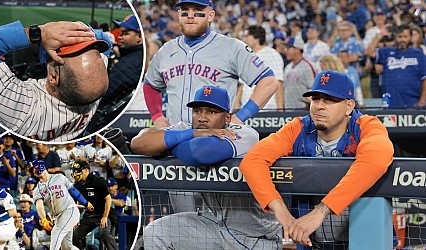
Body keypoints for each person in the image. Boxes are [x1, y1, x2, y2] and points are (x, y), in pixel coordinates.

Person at [239, 70, 394, 247]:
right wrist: (280, 210)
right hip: (312, 241)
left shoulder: (366, 126)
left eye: (329, 100)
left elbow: (377, 159)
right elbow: (252, 161)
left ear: (349, 106)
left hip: (362, 238)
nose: (319, 105)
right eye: (315, 99)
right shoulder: (299, 128)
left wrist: (320, 211)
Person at [131, 86, 282, 249]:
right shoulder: (190, 130)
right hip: (216, 224)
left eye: (211, 112)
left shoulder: (245, 134)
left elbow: (199, 153)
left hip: (256, 235)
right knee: (156, 231)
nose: (202, 118)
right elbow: (138, 143)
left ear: (228, 118)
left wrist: (167, 145)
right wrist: (189, 135)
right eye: (197, 111)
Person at [144, 0, 280, 128]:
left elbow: (269, 82)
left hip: (213, 136)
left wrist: (239, 118)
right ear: (179, 15)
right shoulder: (166, 50)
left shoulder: (231, 47)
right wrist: (157, 117)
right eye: (185, 11)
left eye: (198, 11)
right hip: (173, 135)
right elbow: (150, 84)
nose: (190, 16)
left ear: (210, 16)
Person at [0, 20, 112, 142]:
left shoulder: (23, 108)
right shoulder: (94, 89)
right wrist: (81, 32)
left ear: (53, 77)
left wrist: (40, 34)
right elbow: (107, 42)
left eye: (62, 51)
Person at [88, 15, 144, 132]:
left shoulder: (130, 63)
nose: (120, 37)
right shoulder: (134, 57)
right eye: (121, 33)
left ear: (139, 37)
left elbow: (103, 94)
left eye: (125, 33)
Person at [31, 160, 93, 250]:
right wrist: (44, 219)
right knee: (67, 247)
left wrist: (85, 203)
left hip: (69, 210)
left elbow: (73, 191)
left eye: (35, 167)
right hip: (58, 217)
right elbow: (39, 206)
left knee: (56, 233)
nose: (33, 170)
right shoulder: (37, 189)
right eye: (32, 169)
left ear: (42, 166)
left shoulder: (59, 177)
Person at [365, 24, 426, 107]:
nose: (402, 40)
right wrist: (379, 36)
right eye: (400, 37)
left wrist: (423, 100)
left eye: (405, 37)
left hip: (413, 101)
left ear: (410, 37)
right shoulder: (386, 52)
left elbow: (424, 78)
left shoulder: (418, 54)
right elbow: (368, 52)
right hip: (391, 101)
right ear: (395, 37)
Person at [71, 160, 117, 250]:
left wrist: (104, 217)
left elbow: (108, 199)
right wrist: (77, 218)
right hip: (89, 215)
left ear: (87, 170)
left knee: (104, 234)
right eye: (75, 171)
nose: (76, 173)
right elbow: (79, 202)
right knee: (74, 236)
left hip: (103, 214)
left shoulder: (98, 181)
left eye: (79, 171)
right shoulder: (77, 184)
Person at [241, 25, 284, 109]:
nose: (244, 39)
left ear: (256, 38)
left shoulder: (272, 54)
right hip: (245, 108)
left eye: (246, 36)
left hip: (267, 107)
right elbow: (241, 85)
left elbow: (278, 82)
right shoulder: (245, 56)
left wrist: (280, 108)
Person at [283, 36, 316, 110]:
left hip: (303, 108)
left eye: (288, 48)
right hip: (288, 109)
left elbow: (314, 88)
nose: (285, 50)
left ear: (297, 49)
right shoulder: (288, 67)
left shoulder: (308, 66)